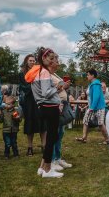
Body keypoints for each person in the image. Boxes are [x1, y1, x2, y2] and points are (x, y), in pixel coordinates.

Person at [25, 48, 66, 178]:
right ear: (43, 59)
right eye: (51, 58)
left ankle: (42, 167)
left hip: (46, 107)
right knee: (51, 139)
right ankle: (48, 170)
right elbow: (46, 93)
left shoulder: (40, 72)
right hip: (49, 107)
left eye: (54, 58)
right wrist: (59, 87)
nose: (54, 60)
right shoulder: (44, 73)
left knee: (50, 138)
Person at [19, 54, 46, 156]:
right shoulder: (22, 74)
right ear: (26, 61)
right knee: (29, 124)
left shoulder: (40, 72)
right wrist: (33, 83)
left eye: (34, 61)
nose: (32, 62)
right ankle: (30, 147)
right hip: (29, 101)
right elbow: (24, 87)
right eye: (30, 60)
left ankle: (44, 146)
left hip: (39, 100)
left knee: (42, 123)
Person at [50, 54, 73, 171]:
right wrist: (62, 87)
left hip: (62, 106)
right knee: (54, 134)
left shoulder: (55, 74)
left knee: (60, 134)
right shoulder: (47, 75)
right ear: (51, 62)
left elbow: (60, 88)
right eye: (56, 61)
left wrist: (65, 86)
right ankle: (52, 159)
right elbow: (49, 91)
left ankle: (58, 158)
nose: (58, 62)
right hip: (55, 107)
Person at [75, 69, 109, 144]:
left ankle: (107, 140)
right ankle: (84, 138)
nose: (87, 76)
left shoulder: (96, 84)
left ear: (92, 75)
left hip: (98, 107)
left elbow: (96, 97)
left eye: (88, 75)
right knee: (85, 121)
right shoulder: (92, 84)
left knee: (100, 124)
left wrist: (92, 108)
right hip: (92, 106)